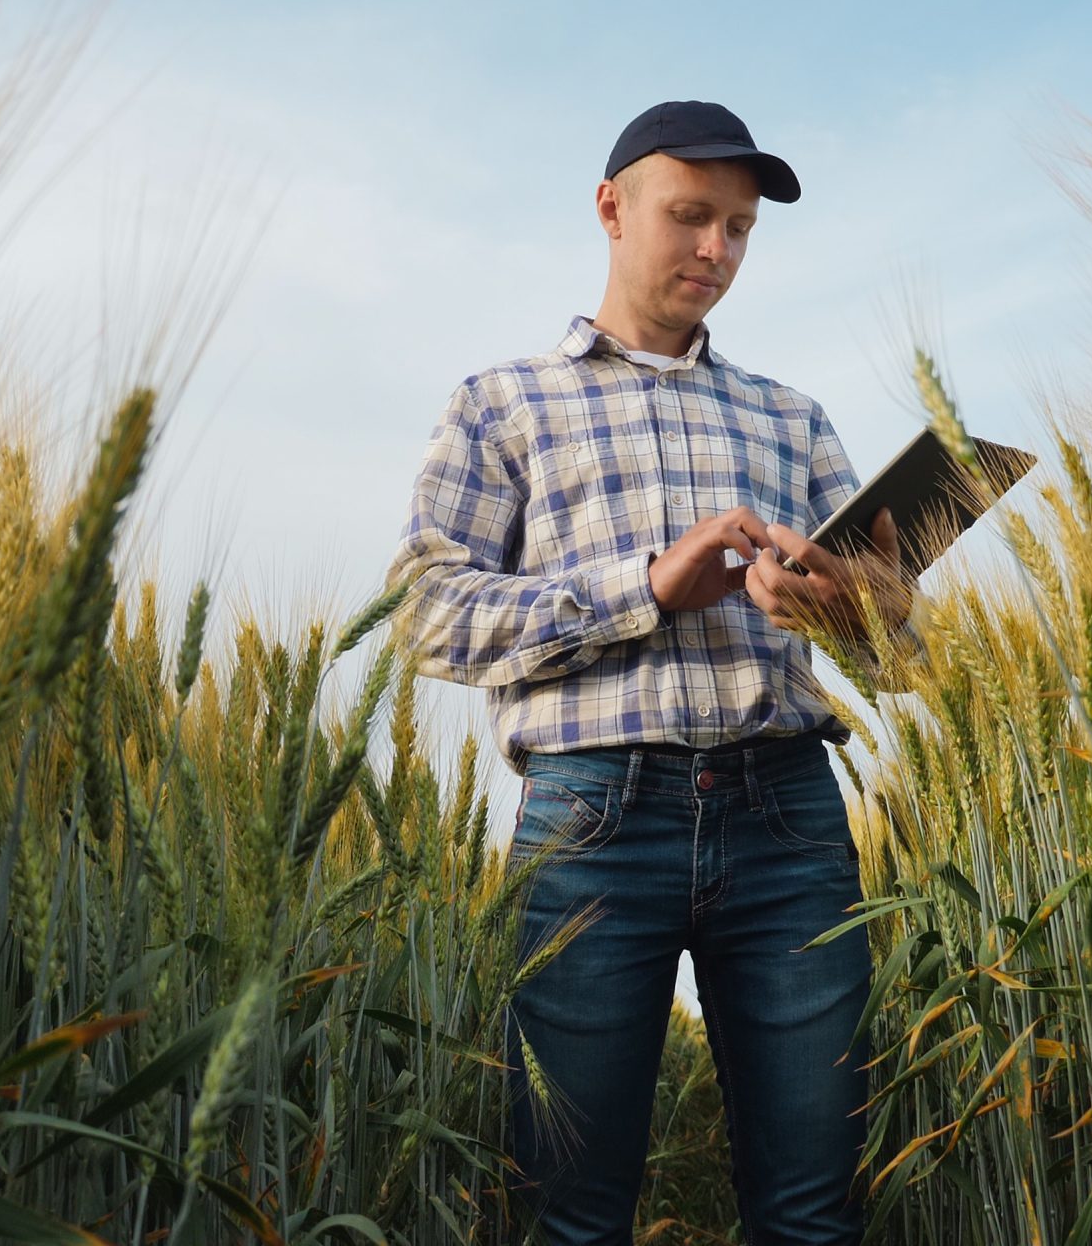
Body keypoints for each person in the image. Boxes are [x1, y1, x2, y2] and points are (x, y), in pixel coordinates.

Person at [383, 99, 923, 1245]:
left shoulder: (793, 419)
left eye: (738, 229)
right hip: (593, 818)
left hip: (788, 814)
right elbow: (426, 617)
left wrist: (845, 613)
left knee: (815, 1205)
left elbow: (907, 656)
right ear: (611, 208)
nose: (715, 252)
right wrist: (646, 588)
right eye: (689, 217)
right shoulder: (501, 404)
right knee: (568, 1207)